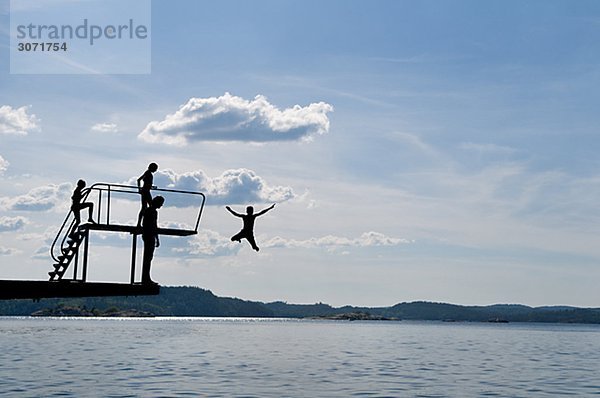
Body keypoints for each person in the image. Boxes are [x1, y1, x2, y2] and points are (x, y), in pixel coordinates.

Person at [141, 195, 164, 285]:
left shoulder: (151, 211)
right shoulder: (150, 211)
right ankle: (146, 278)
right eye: (161, 204)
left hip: (149, 235)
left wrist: (157, 238)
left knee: (148, 257)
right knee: (148, 257)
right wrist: (156, 237)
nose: (161, 206)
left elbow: (154, 226)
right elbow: (152, 225)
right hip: (148, 235)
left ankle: (146, 277)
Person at [137, 162, 158, 227]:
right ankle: (145, 223)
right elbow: (139, 180)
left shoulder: (147, 173)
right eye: (155, 169)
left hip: (145, 191)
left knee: (145, 207)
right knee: (150, 207)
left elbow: (145, 183)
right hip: (146, 191)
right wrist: (139, 189)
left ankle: (141, 223)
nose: (155, 170)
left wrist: (151, 187)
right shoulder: (148, 173)